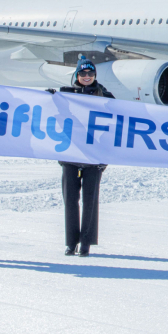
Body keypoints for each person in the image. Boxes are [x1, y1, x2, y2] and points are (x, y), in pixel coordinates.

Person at [57, 56, 114, 256]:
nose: (87, 76)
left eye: (90, 73)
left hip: (94, 157)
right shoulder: (66, 94)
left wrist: (105, 155)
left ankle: (86, 242)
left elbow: (115, 124)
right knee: (70, 200)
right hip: (71, 155)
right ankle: (71, 242)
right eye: (83, 73)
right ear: (77, 75)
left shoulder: (105, 95)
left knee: (90, 200)